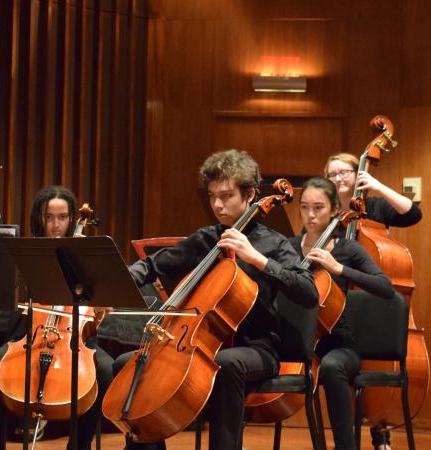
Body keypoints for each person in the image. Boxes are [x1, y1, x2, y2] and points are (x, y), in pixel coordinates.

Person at [115, 149, 318, 450]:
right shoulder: (208, 239)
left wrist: (257, 259)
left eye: (226, 195)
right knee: (129, 365)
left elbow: (308, 291)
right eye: (212, 196)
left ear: (250, 194)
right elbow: (154, 265)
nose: (218, 205)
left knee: (226, 363)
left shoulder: (274, 244)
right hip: (199, 343)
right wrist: (117, 281)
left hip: (256, 347)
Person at [0, 185, 114, 450]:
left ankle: (79, 445)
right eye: (48, 217)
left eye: (62, 217)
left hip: (76, 338)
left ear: (73, 218)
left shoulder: (88, 252)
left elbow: (99, 304)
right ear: (39, 218)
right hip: (31, 333)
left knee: (107, 371)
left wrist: (100, 307)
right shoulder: (31, 252)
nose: (55, 224)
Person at [289, 177, 396, 450]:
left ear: (335, 209)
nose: (310, 215)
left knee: (332, 366)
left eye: (319, 207)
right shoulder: (288, 247)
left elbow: (385, 288)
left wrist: (338, 269)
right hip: (296, 341)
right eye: (304, 207)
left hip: (338, 343)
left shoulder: (348, 250)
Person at [324, 153, 422, 450]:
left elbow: (412, 215)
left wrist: (378, 187)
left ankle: (380, 428)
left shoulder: (375, 207)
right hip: (341, 306)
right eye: (332, 174)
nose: (339, 179)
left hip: (376, 308)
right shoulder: (327, 218)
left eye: (344, 173)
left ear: (357, 175)